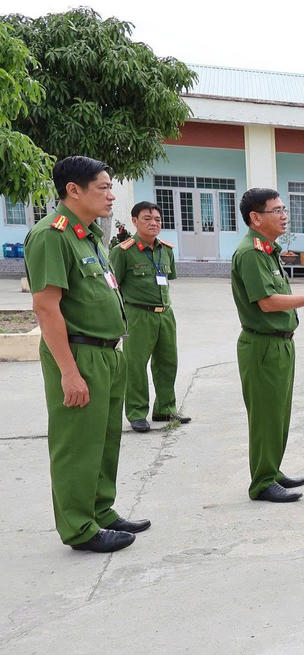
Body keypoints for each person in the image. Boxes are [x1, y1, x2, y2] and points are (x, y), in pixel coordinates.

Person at [25, 156, 148, 553]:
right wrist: (68, 372)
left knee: (106, 438)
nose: (112, 195)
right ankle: (79, 526)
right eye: (104, 188)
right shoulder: (52, 235)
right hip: (79, 354)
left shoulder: (91, 236)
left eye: (111, 187)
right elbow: (47, 307)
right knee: (78, 442)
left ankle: (101, 509)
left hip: (109, 353)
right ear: (73, 190)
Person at [231, 188, 304, 503]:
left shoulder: (268, 250)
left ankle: (271, 469)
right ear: (256, 217)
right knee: (266, 414)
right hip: (262, 345)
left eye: (284, 209)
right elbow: (267, 303)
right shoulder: (251, 253)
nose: (284, 216)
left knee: (278, 413)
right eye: (276, 210)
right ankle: (262, 482)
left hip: (279, 343)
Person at [110, 201, 190, 433]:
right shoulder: (122, 252)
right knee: (135, 365)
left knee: (167, 362)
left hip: (165, 313)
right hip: (138, 314)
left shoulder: (167, 250)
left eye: (157, 219)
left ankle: (165, 408)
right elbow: (114, 288)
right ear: (134, 221)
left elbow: (168, 279)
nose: (154, 223)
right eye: (147, 218)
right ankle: (137, 412)